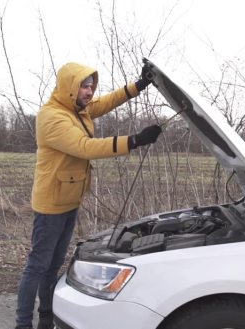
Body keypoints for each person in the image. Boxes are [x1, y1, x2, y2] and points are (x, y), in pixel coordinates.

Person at [14, 62, 161, 329]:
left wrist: (137, 87)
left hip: (69, 198)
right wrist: (135, 140)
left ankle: (46, 317)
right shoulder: (53, 117)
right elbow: (84, 147)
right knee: (38, 266)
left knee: (54, 264)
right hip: (51, 205)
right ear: (70, 87)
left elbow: (105, 104)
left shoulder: (76, 111)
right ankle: (23, 323)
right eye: (84, 85)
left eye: (91, 86)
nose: (90, 91)